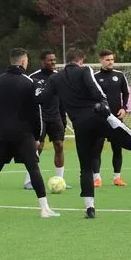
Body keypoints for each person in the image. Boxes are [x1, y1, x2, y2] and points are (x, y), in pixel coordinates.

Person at [0, 48, 59, 219]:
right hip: (23, 135)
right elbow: (36, 112)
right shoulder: (28, 82)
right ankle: (44, 209)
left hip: (3, 134)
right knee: (34, 170)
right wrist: (37, 137)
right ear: (23, 62)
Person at [36, 48, 109, 219]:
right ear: (81, 60)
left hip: (80, 125)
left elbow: (41, 99)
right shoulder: (85, 71)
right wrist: (104, 102)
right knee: (123, 143)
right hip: (98, 119)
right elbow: (96, 91)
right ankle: (103, 174)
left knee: (85, 167)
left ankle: (90, 207)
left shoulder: (56, 78)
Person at [26, 50, 68, 189]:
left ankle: (60, 180)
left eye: (54, 60)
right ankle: (29, 180)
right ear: (42, 62)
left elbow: (62, 99)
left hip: (55, 116)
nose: (53, 63)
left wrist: (63, 118)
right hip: (40, 116)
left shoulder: (60, 77)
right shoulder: (33, 77)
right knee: (38, 147)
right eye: (50, 60)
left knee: (59, 145)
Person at [92, 49, 131, 187]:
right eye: (107, 60)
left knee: (117, 148)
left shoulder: (119, 76)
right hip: (100, 118)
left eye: (112, 59)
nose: (110, 62)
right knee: (97, 148)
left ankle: (117, 177)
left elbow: (126, 93)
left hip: (116, 118)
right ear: (101, 61)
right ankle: (96, 178)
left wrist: (124, 108)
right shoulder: (94, 77)